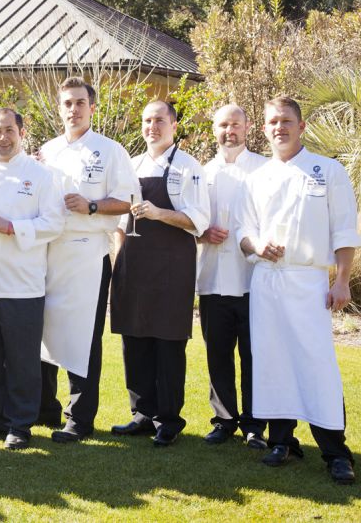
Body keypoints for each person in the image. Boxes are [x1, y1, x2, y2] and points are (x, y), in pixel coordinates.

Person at [235, 96, 358, 484]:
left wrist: (341, 280)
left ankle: (335, 452)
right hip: (267, 281)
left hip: (307, 283)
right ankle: (282, 441)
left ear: (301, 127)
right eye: (272, 122)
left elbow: (344, 230)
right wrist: (257, 247)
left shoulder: (328, 170)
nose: (279, 128)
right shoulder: (256, 179)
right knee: (272, 361)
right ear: (265, 128)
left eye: (286, 121)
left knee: (317, 364)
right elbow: (243, 233)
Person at [38, 77, 135, 443]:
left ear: (92, 108)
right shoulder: (46, 151)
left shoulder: (110, 151)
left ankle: (78, 419)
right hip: (48, 253)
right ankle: (43, 408)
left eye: (80, 102)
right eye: (67, 103)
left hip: (88, 253)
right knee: (43, 333)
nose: (73, 109)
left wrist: (91, 205)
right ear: (59, 108)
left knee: (83, 338)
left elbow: (128, 201)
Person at [110, 100, 209, 446]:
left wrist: (159, 212)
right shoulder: (132, 165)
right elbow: (122, 223)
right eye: (147, 120)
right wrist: (117, 262)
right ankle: (141, 413)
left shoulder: (189, 168)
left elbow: (199, 220)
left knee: (168, 343)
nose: (153, 126)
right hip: (134, 267)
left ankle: (168, 419)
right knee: (134, 340)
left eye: (160, 120)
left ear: (174, 125)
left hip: (171, 269)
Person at [0, 108, 64, 449]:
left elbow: (55, 223)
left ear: (21, 133)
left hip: (22, 282)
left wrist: (13, 227)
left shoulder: (40, 175)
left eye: (9, 130)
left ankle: (21, 424)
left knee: (23, 358)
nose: (3, 138)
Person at [197, 104, 267, 449]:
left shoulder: (265, 169)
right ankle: (224, 420)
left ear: (248, 126)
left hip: (254, 281)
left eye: (236, 124)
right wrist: (201, 233)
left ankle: (255, 424)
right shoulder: (202, 172)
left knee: (254, 356)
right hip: (212, 280)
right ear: (214, 129)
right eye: (223, 125)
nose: (230, 131)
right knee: (217, 355)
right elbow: (191, 220)